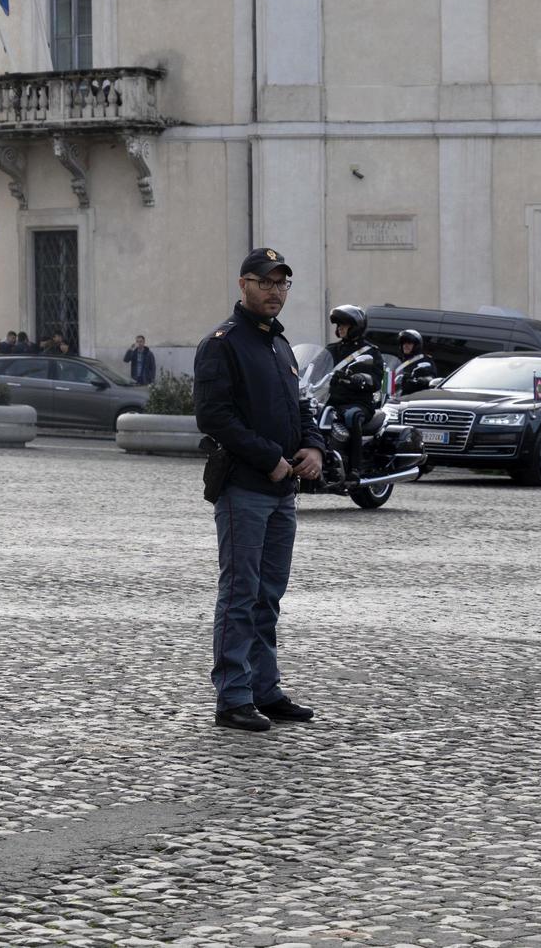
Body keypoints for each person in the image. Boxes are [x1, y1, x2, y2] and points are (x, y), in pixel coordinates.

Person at [193, 247, 326, 733]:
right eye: (265, 282)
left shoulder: (279, 345)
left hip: (281, 491)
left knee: (269, 594)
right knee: (241, 592)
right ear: (243, 284)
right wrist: (268, 457)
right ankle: (232, 696)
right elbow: (214, 417)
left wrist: (311, 447)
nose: (274, 291)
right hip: (245, 487)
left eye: (282, 283)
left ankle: (264, 689)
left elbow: (301, 407)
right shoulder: (223, 344)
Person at [324, 304, 384, 480]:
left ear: (355, 326)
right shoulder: (331, 350)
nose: (340, 328)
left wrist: (363, 378)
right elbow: (315, 366)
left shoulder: (370, 352)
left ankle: (354, 469)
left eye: (344, 324)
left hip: (358, 403)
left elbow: (376, 379)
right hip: (331, 400)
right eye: (338, 324)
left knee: (352, 416)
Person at [393, 328, 438, 397]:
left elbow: (430, 378)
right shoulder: (399, 360)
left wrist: (419, 380)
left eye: (409, 343)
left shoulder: (424, 360)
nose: (405, 345)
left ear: (416, 345)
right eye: (403, 343)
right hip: (396, 395)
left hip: (412, 397)